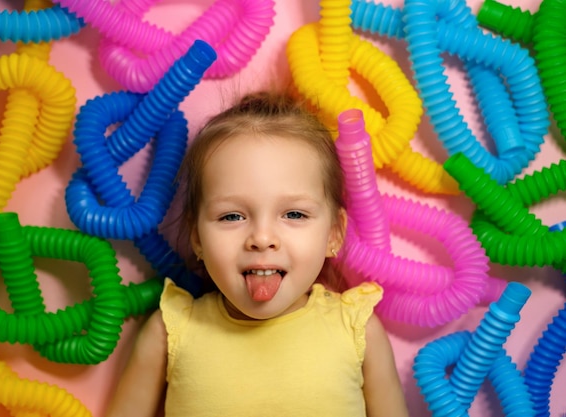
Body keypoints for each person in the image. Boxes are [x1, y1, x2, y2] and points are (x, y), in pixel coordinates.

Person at [104, 92, 409, 417]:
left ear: (334, 233)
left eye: (294, 214)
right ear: (197, 238)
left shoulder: (358, 330)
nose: (262, 239)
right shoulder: (169, 332)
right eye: (232, 216)